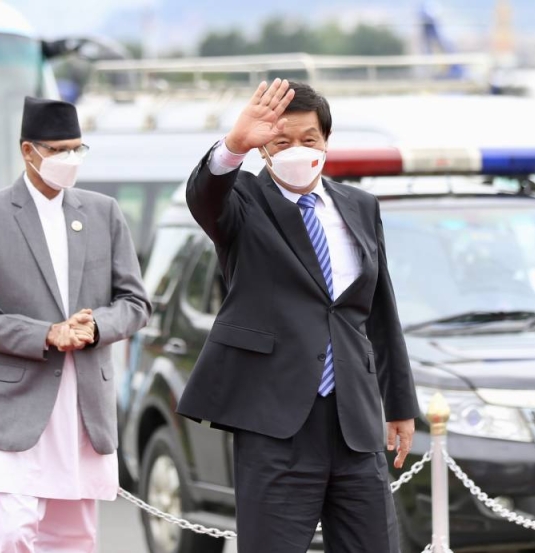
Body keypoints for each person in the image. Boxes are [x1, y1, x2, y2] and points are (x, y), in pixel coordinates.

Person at [177, 79, 420, 552]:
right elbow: (204, 196)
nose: (297, 150)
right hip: (275, 422)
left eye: (308, 139)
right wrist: (233, 145)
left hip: (354, 421)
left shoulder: (359, 206)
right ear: (264, 148)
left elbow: (379, 310)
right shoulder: (244, 201)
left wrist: (399, 404)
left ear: (326, 141)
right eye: (282, 141)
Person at [0, 96, 151, 552]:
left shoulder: (103, 212)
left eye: (77, 149)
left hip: (84, 405)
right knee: (14, 533)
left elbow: (136, 302)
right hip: (18, 404)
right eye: (58, 150)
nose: (70, 159)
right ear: (28, 151)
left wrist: (95, 327)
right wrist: (47, 333)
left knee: (73, 540)